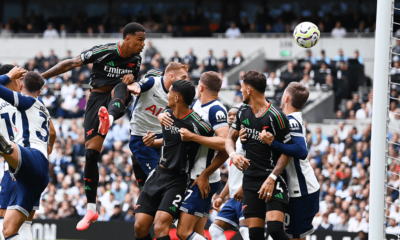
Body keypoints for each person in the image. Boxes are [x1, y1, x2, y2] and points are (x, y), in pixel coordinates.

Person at [41, 22, 145, 230]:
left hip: (116, 101)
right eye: (140, 39)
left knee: (122, 86)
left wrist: (132, 78)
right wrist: (41, 78)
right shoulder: (103, 51)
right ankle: (91, 208)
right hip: (97, 100)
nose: (143, 44)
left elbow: (134, 83)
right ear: (127, 38)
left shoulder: (136, 60)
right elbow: (70, 64)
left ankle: (111, 121)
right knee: (90, 155)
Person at [134, 80, 214, 240]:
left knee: (160, 225)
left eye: (169, 92)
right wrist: (154, 139)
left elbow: (220, 143)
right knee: (139, 226)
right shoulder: (167, 113)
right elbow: (171, 138)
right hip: (158, 174)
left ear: (176, 97)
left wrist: (194, 138)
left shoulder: (197, 124)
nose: (167, 94)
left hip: (177, 180)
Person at [225, 70, 292, 240]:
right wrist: (233, 155)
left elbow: (288, 152)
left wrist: (272, 178)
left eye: (241, 87)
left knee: (275, 230)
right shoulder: (242, 111)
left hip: (272, 179)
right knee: (254, 235)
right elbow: (228, 139)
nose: (240, 91)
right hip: (250, 181)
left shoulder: (276, 116)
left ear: (249, 89)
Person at [249, 82, 320, 240]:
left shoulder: (291, 121)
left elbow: (301, 151)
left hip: (302, 190)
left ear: (286, 97)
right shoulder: (287, 119)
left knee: (294, 236)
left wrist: (272, 143)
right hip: (297, 189)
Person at [0, 68, 56, 240]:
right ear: (40, 92)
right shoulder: (43, 109)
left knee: (9, 146)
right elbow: (52, 133)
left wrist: (8, 76)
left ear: (21, 84)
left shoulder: (25, 101)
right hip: (35, 169)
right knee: (10, 229)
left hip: (26, 158)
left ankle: (5, 146)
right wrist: (48, 151)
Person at [174, 72, 229, 240]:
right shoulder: (196, 105)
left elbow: (225, 144)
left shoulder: (216, 109)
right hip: (192, 175)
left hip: (201, 177)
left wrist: (193, 137)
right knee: (197, 233)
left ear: (201, 87)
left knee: (183, 232)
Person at [128, 64, 188, 188]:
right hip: (143, 137)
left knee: (167, 176)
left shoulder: (176, 95)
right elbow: (135, 86)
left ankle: (145, 192)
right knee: (158, 179)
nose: (185, 80)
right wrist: (133, 86)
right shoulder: (152, 83)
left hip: (162, 138)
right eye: (183, 77)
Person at [210, 107, 250, 240]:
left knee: (246, 232)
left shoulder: (245, 138)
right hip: (233, 198)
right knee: (214, 230)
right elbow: (232, 177)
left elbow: (256, 168)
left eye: (235, 115)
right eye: (229, 115)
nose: (231, 117)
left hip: (247, 194)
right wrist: (221, 197)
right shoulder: (230, 144)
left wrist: (243, 187)